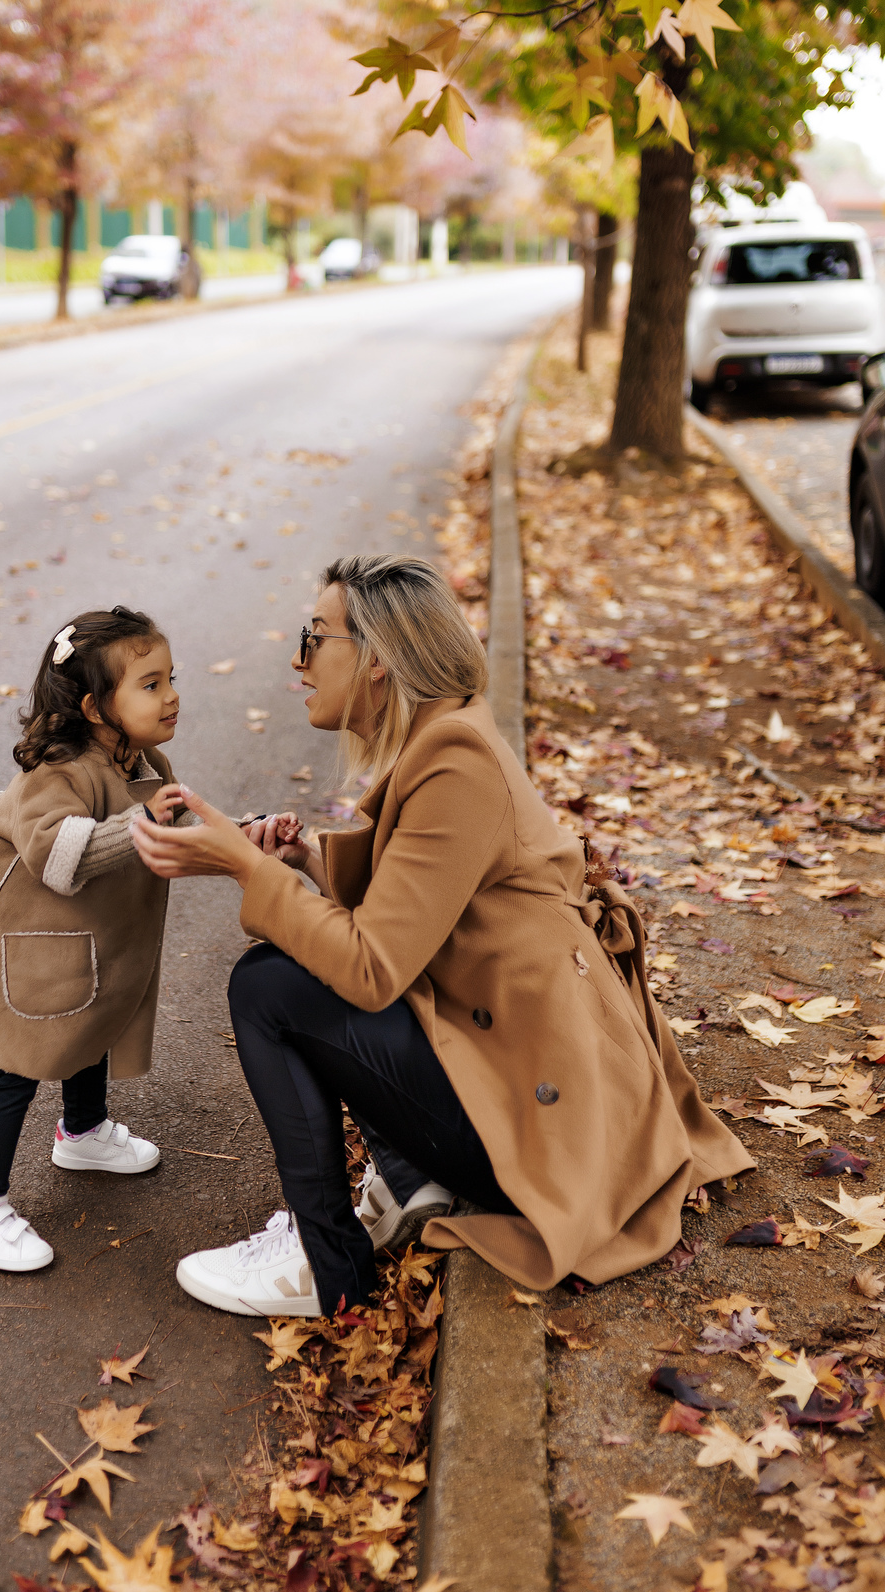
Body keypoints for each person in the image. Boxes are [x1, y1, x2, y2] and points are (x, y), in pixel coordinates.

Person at [130, 553, 754, 1319]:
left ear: (380, 663)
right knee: (285, 977)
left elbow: (371, 967)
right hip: (524, 1078)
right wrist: (300, 857)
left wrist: (246, 870)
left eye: (314, 636)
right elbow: (420, 899)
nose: (297, 659)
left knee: (269, 987)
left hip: (544, 1133)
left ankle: (325, 1265)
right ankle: (404, 1172)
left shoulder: (455, 761)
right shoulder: (449, 736)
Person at [0, 606, 187, 1273]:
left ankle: (83, 1132)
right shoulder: (59, 771)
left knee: (89, 1030)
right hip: (23, 952)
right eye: (149, 684)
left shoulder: (146, 762)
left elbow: (159, 831)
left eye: (172, 678)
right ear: (93, 706)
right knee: (13, 1067)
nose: (170, 695)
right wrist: (144, 822)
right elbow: (60, 856)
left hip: (83, 949)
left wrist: (235, 837)